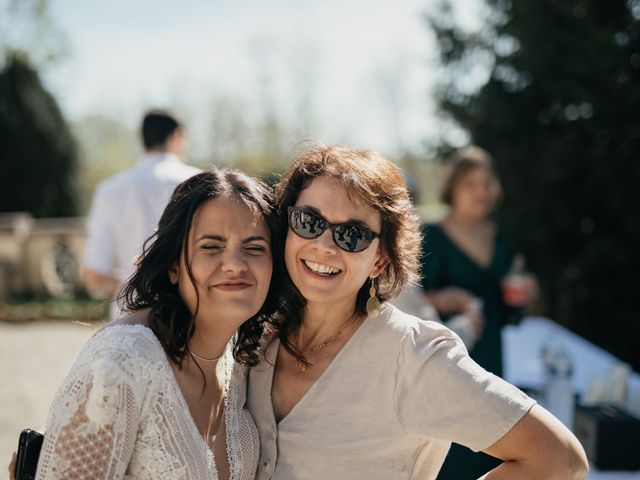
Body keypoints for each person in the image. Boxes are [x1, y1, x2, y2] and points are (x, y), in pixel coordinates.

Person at [247, 145, 588, 479]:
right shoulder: (254, 336)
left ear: (379, 260)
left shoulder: (413, 357)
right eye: (308, 221)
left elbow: (561, 459)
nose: (324, 244)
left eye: (352, 235)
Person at [24, 168, 282, 479]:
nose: (235, 265)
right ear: (173, 266)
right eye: (211, 247)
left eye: (255, 248)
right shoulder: (120, 364)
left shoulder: (241, 363)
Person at [420, 146, 538, 480]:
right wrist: (446, 299)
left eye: (487, 183)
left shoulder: (498, 235)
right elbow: (410, 300)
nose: (482, 191)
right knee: (451, 444)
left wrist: (524, 292)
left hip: (493, 351)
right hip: (451, 352)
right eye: (471, 183)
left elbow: (505, 297)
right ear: (452, 188)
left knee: (492, 438)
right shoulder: (432, 235)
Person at [83, 109, 201, 317]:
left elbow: (95, 275)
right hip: (193, 311)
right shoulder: (202, 183)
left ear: (142, 140)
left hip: (130, 314)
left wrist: (132, 284)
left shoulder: (110, 189)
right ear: (178, 136)